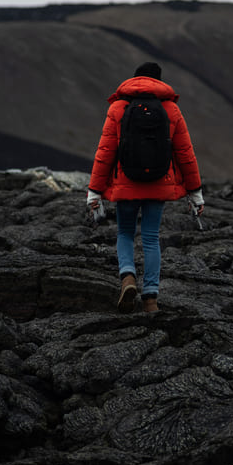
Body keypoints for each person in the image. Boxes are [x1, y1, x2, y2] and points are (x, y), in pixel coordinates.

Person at [87, 62, 204, 313]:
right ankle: (150, 299)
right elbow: (185, 153)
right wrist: (195, 192)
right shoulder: (171, 109)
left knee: (125, 234)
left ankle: (128, 277)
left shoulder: (118, 108)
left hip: (125, 185)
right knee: (151, 238)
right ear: (159, 82)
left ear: (135, 79)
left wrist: (94, 191)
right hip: (158, 184)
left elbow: (105, 152)